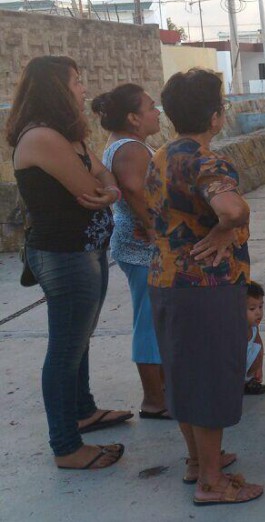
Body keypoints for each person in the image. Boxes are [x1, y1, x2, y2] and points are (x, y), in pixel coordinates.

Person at [6, 55, 130, 470]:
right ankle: (67, 446)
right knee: (65, 350)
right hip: (64, 255)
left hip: (87, 249)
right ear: (57, 88)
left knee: (81, 338)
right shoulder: (41, 137)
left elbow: (105, 179)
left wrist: (109, 192)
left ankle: (83, 410)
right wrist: (107, 190)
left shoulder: (67, 135)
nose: (83, 88)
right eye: (77, 81)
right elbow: (87, 186)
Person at [146, 68, 263, 505]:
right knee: (212, 378)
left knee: (185, 375)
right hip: (206, 286)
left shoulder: (161, 154)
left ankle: (198, 461)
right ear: (216, 117)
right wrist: (225, 230)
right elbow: (230, 207)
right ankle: (212, 483)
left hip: (165, 279)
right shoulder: (206, 158)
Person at [95, 84, 169, 419]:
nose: (157, 113)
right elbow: (135, 190)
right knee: (150, 321)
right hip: (142, 247)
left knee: (152, 318)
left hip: (135, 243)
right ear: (132, 117)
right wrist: (155, 228)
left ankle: (162, 391)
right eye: (151, 107)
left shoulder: (125, 143)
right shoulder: (132, 149)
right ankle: (154, 400)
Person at [244, 281, 265, 396]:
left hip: (246, 369)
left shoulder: (254, 328)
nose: (259, 313)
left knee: (258, 349)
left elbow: (259, 345)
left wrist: (259, 368)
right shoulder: (236, 331)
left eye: (261, 306)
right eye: (252, 309)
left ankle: (248, 382)